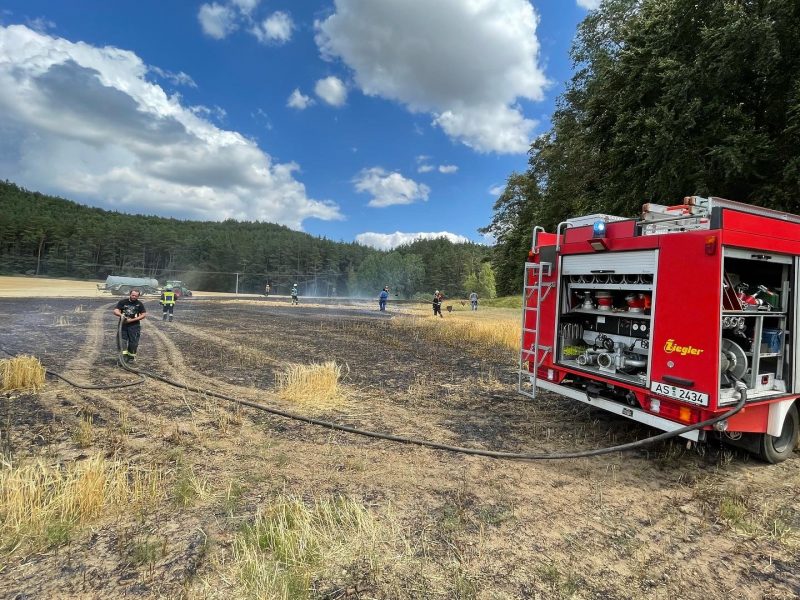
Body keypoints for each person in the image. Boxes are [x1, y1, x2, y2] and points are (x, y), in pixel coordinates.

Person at [113, 289, 147, 362]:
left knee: (133, 343)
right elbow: (116, 310)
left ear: (138, 296)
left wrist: (132, 320)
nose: (134, 297)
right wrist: (121, 315)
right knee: (122, 342)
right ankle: (123, 357)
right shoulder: (123, 302)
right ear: (130, 294)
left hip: (134, 326)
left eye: (136, 296)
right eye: (133, 295)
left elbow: (143, 314)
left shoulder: (139, 304)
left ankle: (131, 357)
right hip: (123, 325)